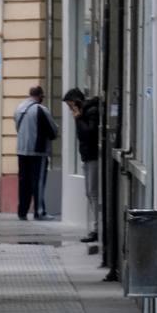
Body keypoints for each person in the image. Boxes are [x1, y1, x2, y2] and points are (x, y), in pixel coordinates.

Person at [14, 85, 59, 220]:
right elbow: (53, 131)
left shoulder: (19, 108)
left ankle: (22, 212)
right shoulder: (41, 109)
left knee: (24, 182)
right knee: (38, 182)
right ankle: (39, 212)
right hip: (38, 151)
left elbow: (17, 126)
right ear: (40, 96)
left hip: (22, 150)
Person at [63, 87, 102, 243]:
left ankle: (97, 228)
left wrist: (79, 119)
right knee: (89, 193)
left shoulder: (90, 111)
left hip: (92, 156)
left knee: (93, 193)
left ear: (76, 103)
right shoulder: (85, 113)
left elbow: (89, 133)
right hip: (87, 156)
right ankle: (95, 227)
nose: (70, 109)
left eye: (70, 105)